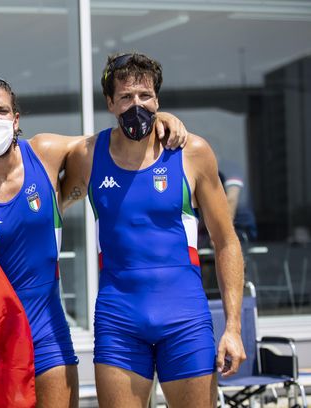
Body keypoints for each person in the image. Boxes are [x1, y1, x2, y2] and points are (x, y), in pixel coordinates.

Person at [0, 74, 188, 408]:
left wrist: (157, 119)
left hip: (48, 330)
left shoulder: (44, 153)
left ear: (16, 119)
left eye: (2, 110)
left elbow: (112, 143)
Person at [61, 52, 246, 407]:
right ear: (110, 103)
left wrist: (233, 328)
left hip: (185, 319)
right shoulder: (88, 156)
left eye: (145, 96)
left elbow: (226, 242)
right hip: (119, 321)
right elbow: (51, 204)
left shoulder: (192, 153)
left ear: (157, 101)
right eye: (126, 97)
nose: (137, 105)